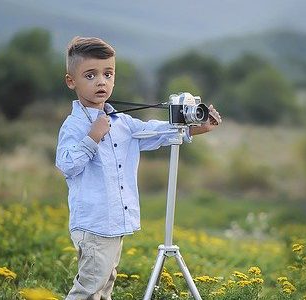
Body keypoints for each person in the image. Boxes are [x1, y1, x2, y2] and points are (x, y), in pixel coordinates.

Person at [55, 36, 221, 299]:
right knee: (89, 288)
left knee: (105, 284)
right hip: (94, 223)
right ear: (71, 81)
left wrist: (195, 127)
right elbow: (66, 165)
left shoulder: (122, 123)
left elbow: (154, 131)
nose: (101, 81)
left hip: (114, 223)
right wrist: (92, 138)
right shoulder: (75, 126)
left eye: (108, 74)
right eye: (90, 75)